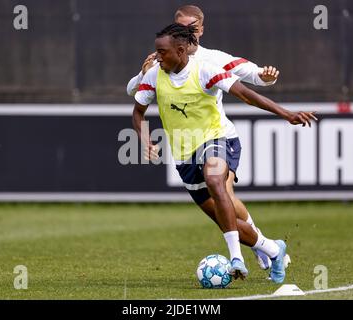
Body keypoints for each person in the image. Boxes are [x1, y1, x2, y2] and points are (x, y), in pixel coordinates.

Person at [132, 23, 317, 283]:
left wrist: (287, 114)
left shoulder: (205, 70)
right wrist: (145, 139)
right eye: (156, 52)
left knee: (215, 179)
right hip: (184, 155)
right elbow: (137, 113)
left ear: (181, 50)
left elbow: (246, 95)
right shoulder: (153, 75)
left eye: (162, 52)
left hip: (216, 138)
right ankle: (273, 249)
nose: (157, 57)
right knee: (224, 218)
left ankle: (236, 259)